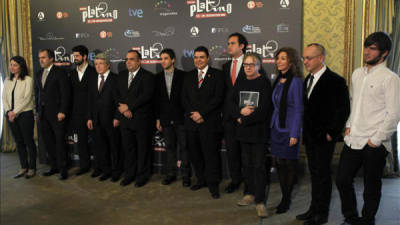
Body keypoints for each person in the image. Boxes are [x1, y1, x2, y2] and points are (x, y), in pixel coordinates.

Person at [336, 32, 400, 225]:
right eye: (366, 47)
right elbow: (353, 103)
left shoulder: (391, 78)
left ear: (384, 53)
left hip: (374, 142)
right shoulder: (357, 74)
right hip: (353, 138)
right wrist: (348, 126)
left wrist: (377, 139)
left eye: (372, 48)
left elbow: (394, 113)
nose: (366, 52)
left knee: (371, 186)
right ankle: (351, 217)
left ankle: (367, 219)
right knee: (342, 180)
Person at [296, 43, 350, 225]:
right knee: (314, 175)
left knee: (323, 176)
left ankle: (322, 214)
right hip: (310, 137)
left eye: (309, 58)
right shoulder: (308, 80)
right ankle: (313, 208)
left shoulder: (336, 81)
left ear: (321, 58)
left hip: (324, 139)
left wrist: (331, 133)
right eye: (304, 58)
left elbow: (342, 111)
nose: (305, 61)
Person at [230, 52, 272, 217]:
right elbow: (230, 103)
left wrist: (243, 119)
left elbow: (264, 110)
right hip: (243, 133)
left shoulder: (264, 83)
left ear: (258, 66)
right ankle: (249, 194)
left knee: (259, 167)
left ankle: (260, 201)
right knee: (246, 165)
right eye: (245, 65)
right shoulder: (240, 82)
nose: (247, 67)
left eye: (251, 64)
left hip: (258, 133)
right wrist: (239, 114)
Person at [181, 46, 225, 199]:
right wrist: (193, 114)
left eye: (201, 57)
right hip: (192, 123)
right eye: (196, 57)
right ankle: (201, 180)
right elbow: (184, 98)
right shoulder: (188, 76)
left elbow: (218, 98)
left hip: (209, 123)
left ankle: (213, 185)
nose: (198, 60)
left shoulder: (218, 75)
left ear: (207, 59)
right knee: (196, 155)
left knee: (211, 156)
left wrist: (202, 113)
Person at [270, 47, 303, 214]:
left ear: (291, 62)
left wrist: (294, 133)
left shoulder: (296, 81)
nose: (279, 61)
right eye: (277, 58)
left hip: (289, 129)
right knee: (280, 164)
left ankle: (286, 199)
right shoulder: (278, 79)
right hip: (276, 128)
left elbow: (298, 109)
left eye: (283, 58)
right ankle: (284, 195)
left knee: (289, 165)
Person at [117, 50, 154, 187]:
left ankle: (142, 176)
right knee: (128, 149)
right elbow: (116, 95)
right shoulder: (121, 76)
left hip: (141, 120)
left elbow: (146, 96)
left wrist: (129, 108)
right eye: (127, 59)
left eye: (132, 59)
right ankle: (129, 175)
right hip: (125, 120)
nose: (128, 62)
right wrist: (123, 109)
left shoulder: (148, 77)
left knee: (142, 149)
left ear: (140, 61)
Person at [154, 48, 191, 187]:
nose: (163, 61)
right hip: (165, 119)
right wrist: (158, 118)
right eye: (161, 58)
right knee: (169, 147)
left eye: (166, 58)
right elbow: (156, 101)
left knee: (184, 147)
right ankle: (171, 174)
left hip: (181, 118)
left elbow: (187, 98)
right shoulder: (157, 78)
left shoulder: (183, 76)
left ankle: (186, 175)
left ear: (173, 60)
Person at [34, 49, 71, 180]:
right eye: (39, 58)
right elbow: (38, 94)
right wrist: (37, 111)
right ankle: (54, 166)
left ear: (51, 59)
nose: (41, 60)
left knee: (59, 142)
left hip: (57, 114)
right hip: (43, 115)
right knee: (48, 142)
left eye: (43, 57)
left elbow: (65, 94)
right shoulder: (38, 74)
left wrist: (62, 111)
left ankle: (63, 169)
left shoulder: (60, 73)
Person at [87, 52, 122, 182]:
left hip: (111, 120)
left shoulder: (116, 79)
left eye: (101, 64)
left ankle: (116, 171)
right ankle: (105, 170)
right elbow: (90, 101)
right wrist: (89, 117)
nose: (98, 66)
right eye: (96, 64)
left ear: (107, 65)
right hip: (96, 120)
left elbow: (120, 100)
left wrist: (117, 117)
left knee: (114, 147)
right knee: (100, 147)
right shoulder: (92, 79)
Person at [2, 56, 37, 179]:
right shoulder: (7, 80)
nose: (12, 67)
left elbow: (27, 99)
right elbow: (4, 98)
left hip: (25, 114)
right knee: (19, 142)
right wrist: (8, 111)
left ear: (21, 66)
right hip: (11, 115)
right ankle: (23, 167)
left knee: (28, 141)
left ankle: (32, 168)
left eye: (15, 65)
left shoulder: (28, 79)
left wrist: (14, 112)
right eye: (11, 64)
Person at [222, 32, 247, 193]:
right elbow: (224, 94)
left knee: (247, 152)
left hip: (245, 117)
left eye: (232, 43)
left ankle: (250, 182)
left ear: (242, 46)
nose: (229, 46)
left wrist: (241, 114)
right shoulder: (225, 67)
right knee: (232, 151)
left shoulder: (251, 64)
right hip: (229, 118)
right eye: (228, 43)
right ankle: (235, 179)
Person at [70, 45, 97, 176]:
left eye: (77, 56)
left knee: (97, 141)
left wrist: (91, 114)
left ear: (85, 56)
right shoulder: (72, 73)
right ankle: (84, 165)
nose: (75, 58)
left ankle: (99, 167)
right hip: (77, 114)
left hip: (92, 113)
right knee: (81, 141)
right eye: (74, 56)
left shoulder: (94, 72)